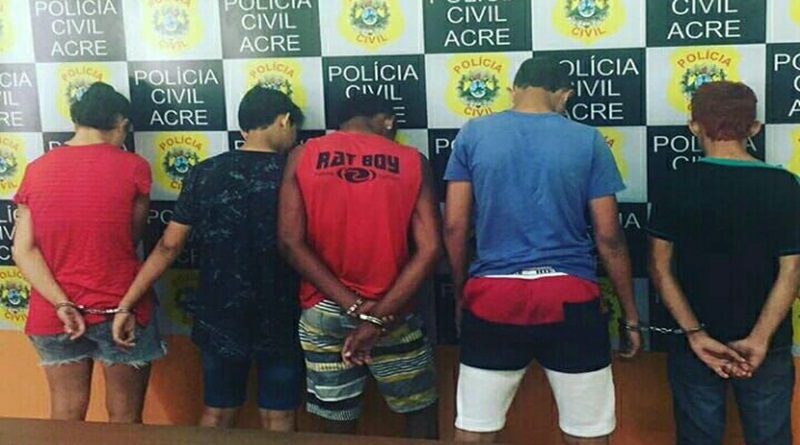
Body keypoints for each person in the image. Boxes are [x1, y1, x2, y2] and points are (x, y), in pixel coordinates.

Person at [443, 57, 642, 445]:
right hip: (570, 294)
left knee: (474, 430)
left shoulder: (473, 133)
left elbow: (454, 227)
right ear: (564, 95)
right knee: (588, 433)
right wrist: (631, 316)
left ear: (513, 90)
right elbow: (610, 238)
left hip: (493, 294)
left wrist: (462, 293)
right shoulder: (587, 139)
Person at [112, 86, 304, 431]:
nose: (294, 139)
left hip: (219, 313)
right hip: (283, 311)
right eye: (294, 129)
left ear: (244, 128)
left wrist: (127, 303)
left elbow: (168, 247)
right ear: (284, 120)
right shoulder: (296, 174)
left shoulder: (204, 172)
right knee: (280, 416)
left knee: (217, 412)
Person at [278, 94, 442, 439]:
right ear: (387, 120)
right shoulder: (411, 160)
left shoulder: (303, 155)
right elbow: (430, 249)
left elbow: (290, 243)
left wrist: (351, 305)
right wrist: (376, 317)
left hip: (324, 307)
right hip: (392, 309)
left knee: (336, 417)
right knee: (419, 411)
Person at [648, 81, 800, 445]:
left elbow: (658, 266)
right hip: (769, 343)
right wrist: (760, 339)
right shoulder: (785, 184)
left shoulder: (675, 182)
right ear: (754, 128)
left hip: (694, 342)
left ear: (694, 125)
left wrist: (695, 334)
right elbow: (792, 270)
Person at [12, 82, 164, 423]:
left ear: (76, 121)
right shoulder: (134, 167)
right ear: (121, 122)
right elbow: (131, 237)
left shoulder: (36, 168)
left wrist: (61, 303)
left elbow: (23, 250)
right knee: (125, 419)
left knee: (65, 414)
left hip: (54, 312)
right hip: (121, 306)